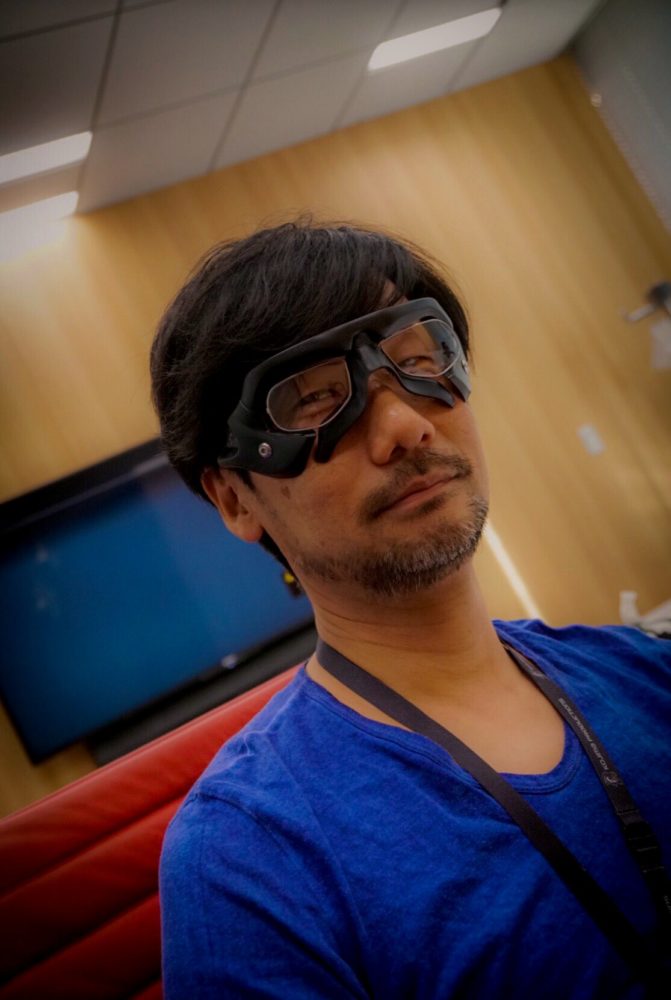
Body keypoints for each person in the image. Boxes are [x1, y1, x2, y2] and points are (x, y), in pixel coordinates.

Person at [151, 219, 671, 999]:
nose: (404, 424)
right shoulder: (247, 861)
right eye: (314, 399)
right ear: (234, 498)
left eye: (420, 360)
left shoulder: (640, 671)